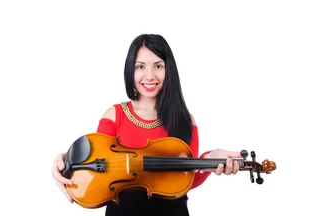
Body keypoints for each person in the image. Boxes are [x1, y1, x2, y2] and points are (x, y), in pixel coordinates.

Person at [51, 34, 242, 216]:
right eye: (140, 67)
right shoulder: (115, 115)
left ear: (169, 70)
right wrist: (67, 161)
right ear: (130, 70)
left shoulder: (185, 119)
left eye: (158, 66)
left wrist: (209, 160)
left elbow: (186, 180)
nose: (149, 76)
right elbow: (96, 164)